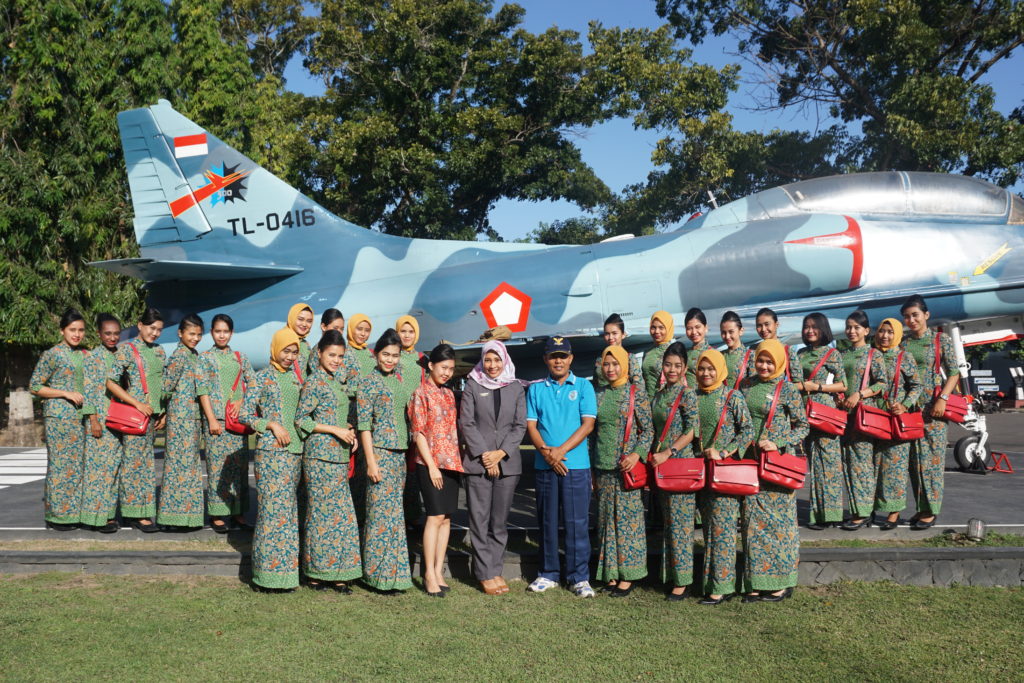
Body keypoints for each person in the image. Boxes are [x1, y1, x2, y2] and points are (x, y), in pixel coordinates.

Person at [526, 336, 597, 597]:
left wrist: (560, 452)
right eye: (553, 356)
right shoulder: (535, 389)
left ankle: (579, 576)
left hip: (575, 465)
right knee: (547, 521)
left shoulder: (584, 387)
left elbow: (587, 424)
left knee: (576, 521)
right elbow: (531, 426)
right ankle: (548, 573)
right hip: (545, 465)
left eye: (563, 356)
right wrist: (548, 454)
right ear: (545, 359)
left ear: (571, 359)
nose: (558, 360)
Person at [741, 339, 808, 602]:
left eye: (770, 361)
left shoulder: (787, 389)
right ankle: (756, 583)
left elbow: (802, 426)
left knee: (780, 525)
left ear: (779, 361)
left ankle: (782, 583)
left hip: (777, 465)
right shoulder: (747, 385)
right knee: (752, 524)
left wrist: (777, 442)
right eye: (760, 360)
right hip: (750, 462)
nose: (764, 366)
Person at [459, 340, 527, 596]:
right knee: (479, 520)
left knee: (499, 522)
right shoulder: (472, 385)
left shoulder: (516, 387)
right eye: (488, 360)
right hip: (479, 463)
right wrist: (486, 455)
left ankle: (495, 569)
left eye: (496, 360)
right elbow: (466, 423)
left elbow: (519, 425)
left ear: (504, 360)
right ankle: (484, 573)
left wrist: (500, 454)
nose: (492, 365)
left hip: (507, 464)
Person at [295, 329, 361, 592]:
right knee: (321, 516)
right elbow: (302, 419)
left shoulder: (337, 383)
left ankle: (338, 572)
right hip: (319, 457)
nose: (336, 359)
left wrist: (348, 431)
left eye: (340, 356)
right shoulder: (313, 383)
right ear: (319, 353)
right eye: (332, 354)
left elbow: (333, 416)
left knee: (341, 517)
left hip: (339, 456)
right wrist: (335, 430)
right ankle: (316, 573)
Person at [240, 327, 304, 592]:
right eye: (286, 351)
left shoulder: (297, 379)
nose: (289, 356)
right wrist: (271, 425)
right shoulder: (261, 377)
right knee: (270, 514)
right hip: (270, 453)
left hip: (295, 454)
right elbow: (245, 414)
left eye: (294, 352)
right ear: (275, 349)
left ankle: (287, 576)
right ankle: (265, 577)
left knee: (288, 515)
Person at [591, 345, 652, 596]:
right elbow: (592, 433)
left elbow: (647, 430)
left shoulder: (636, 394)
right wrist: (591, 470)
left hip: (627, 467)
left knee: (628, 523)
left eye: (615, 364)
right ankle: (611, 574)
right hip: (603, 466)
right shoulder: (599, 395)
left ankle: (629, 575)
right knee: (606, 522)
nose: (611, 369)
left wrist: (637, 454)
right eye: (607, 364)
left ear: (625, 365)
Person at [693, 349, 753, 605]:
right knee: (709, 529)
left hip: (723, 472)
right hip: (699, 473)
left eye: (711, 369)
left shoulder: (732, 396)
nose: (706, 373)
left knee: (723, 530)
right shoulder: (692, 396)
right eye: (702, 369)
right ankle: (712, 583)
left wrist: (726, 451)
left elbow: (747, 430)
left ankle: (722, 586)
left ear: (720, 370)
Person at [357, 328, 415, 592]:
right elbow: (364, 426)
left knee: (394, 516)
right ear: (376, 354)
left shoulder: (401, 380)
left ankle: (395, 575)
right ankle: (376, 576)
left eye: (394, 355)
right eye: (385, 354)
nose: (390, 360)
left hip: (399, 455)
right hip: (379, 453)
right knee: (379, 516)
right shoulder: (368, 382)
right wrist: (370, 462)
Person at [408, 343, 463, 597]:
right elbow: (418, 432)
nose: (447, 373)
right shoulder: (421, 393)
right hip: (430, 464)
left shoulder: (450, 394)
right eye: (443, 367)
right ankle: (428, 573)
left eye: (451, 369)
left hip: (451, 462)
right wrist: (431, 466)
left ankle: (439, 570)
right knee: (434, 516)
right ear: (430, 365)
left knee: (446, 518)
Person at [900, 294, 959, 530]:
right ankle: (921, 508)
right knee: (914, 461)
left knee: (932, 461)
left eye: (915, 315)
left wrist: (943, 399)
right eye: (906, 316)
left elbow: (954, 372)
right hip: (910, 409)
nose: (911, 320)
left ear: (926, 315)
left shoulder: (939, 340)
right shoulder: (903, 343)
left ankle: (932, 510)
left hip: (934, 408)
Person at [105, 307, 166, 533]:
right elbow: (110, 382)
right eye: (152, 328)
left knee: (147, 465)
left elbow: (162, 383)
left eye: (159, 329)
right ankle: (134, 515)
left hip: (153, 416)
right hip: (135, 416)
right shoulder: (127, 350)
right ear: (140, 325)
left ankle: (142, 512)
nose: (155, 333)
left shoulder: (160, 351)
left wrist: (163, 411)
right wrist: (136, 403)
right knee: (134, 466)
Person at [29, 308, 89, 530]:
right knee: (60, 466)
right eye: (72, 330)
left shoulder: (85, 354)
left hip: (80, 418)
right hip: (58, 418)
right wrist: (64, 393)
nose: (77, 334)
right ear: (62, 330)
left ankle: (74, 513)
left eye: (81, 330)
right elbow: (35, 386)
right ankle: (57, 516)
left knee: (77, 467)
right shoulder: (52, 354)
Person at [648, 341, 699, 601]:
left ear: (685, 368)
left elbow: (692, 430)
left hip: (678, 464)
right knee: (668, 524)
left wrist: (669, 452)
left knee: (681, 526)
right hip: (661, 466)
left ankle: (683, 581)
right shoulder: (659, 395)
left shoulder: (687, 394)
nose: (672, 369)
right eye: (668, 364)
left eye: (678, 365)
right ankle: (670, 575)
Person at [198, 314, 256, 532]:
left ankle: (239, 512)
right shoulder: (205, 358)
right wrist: (212, 418)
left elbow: (253, 383)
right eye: (217, 331)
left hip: (237, 421)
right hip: (217, 422)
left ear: (231, 333)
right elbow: (202, 390)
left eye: (225, 331)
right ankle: (218, 514)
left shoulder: (240, 358)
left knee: (240, 469)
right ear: (212, 332)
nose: (221, 335)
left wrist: (243, 399)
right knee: (217, 468)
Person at [157, 314, 208, 531]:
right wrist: (164, 412)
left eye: (198, 334)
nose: (195, 338)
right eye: (191, 334)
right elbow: (166, 387)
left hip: (192, 419)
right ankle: (172, 518)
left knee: (189, 468)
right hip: (180, 419)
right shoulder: (179, 356)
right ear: (180, 333)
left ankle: (188, 517)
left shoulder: (193, 354)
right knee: (178, 468)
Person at [797, 313, 847, 530]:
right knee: (815, 465)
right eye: (806, 327)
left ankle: (833, 515)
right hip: (805, 413)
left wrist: (817, 387)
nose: (810, 331)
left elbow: (842, 384)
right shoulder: (800, 353)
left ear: (822, 329)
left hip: (825, 412)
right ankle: (817, 515)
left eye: (814, 327)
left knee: (830, 466)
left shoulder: (832, 354)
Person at [839, 310, 887, 531]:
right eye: (849, 327)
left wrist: (860, 394)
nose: (852, 331)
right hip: (843, 415)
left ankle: (864, 513)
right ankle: (859, 510)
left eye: (857, 327)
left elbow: (882, 384)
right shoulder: (842, 354)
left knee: (862, 464)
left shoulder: (873, 355)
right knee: (849, 463)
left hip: (863, 415)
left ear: (866, 331)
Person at [873, 318, 923, 530]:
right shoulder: (872, 355)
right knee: (874, 466)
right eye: (882, 331)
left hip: (895, 419)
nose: (885, 336)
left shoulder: (904, 357)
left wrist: (905, 405)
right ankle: (871, 508)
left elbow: (917, 385)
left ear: (898, 335)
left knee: (895, 468)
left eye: (890, 332)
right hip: (874, 418)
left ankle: (894, 512)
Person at [79, 313, 123, 533]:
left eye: (116, 333)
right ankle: (95, 518)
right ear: (99, 334)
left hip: (118, 420)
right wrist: (93, 420)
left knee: (113, 469)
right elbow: (88, 390)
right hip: (99, 420)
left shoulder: (121, 355)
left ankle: (108, 514)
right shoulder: (93, 357)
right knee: (98, 471)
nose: (112, 337)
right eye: (108, 333)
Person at [750, 308, 802, 385]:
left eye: (767, 324)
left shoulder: (786, 350)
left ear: (776, 324)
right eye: (759, 326)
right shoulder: (752, 350)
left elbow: (798, 383)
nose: (763, 329)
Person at [593, 313, 642, 387]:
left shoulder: (629, 358)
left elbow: (638, 386)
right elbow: (595, 384)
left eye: (614, 333)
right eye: (607, 334)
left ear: (623, 334)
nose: (610, 337)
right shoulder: (600, 360)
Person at [642, 310, 675, 397]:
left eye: (661, 327)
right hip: (647, 403)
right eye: (653, 327)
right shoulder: (647, 352)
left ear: (668, 328)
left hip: (664, 402)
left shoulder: (673, 352)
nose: (656, 331)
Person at [720, 311, 751, 390]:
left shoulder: (751, 356)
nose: (727, 336)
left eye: (731, 332)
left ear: (741, 331)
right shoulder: (719, 356)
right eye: (723, 332)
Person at [285, 303, 315, 381]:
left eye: (309, 321)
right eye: (300, 319)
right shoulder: (284, 340)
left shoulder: (305, 344)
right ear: (292, 318)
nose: (304, 324)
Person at [684, 308, 710, 388]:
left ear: (706, 328)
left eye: (697, 327)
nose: (694, 332)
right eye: (689, 328)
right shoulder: (684, 354)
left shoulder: (713, 354)